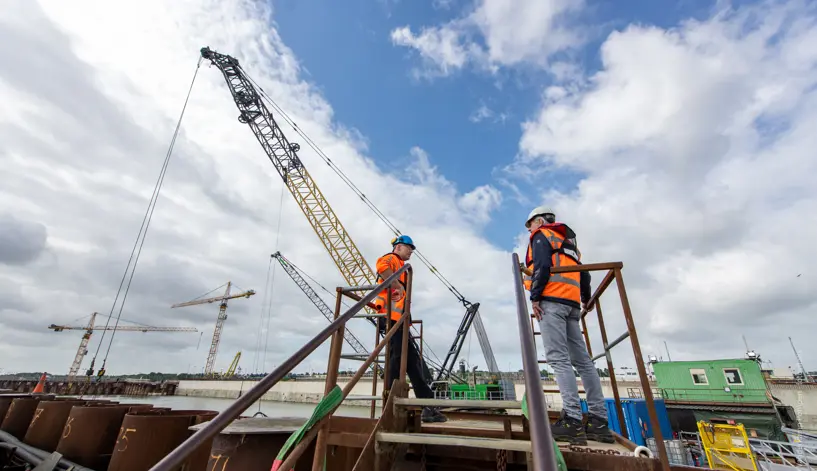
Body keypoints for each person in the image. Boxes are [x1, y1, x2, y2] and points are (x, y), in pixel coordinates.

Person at [523, 206, 613, 445]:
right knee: (583, 362)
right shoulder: (569, 242)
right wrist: (585, 298)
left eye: (529, 224)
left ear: (540, 220)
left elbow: (541, 266)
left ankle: (572, 420)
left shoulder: (542, 235)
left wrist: (535, 297)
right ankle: (598, 421)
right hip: (572, 304)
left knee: (559, 359)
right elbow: (584, 274)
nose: (529, 230)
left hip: (551, 301)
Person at [374, 234, 447, 423]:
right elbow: (382, 267)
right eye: (409, 248)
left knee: (413, 361)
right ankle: (390, 403)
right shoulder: (393, 259)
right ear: (398, 247)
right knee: (397, 358)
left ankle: (428, 406)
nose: (411, 252)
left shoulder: (402, 266)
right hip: (390, 318)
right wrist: (397, 284)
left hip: (398, 319)